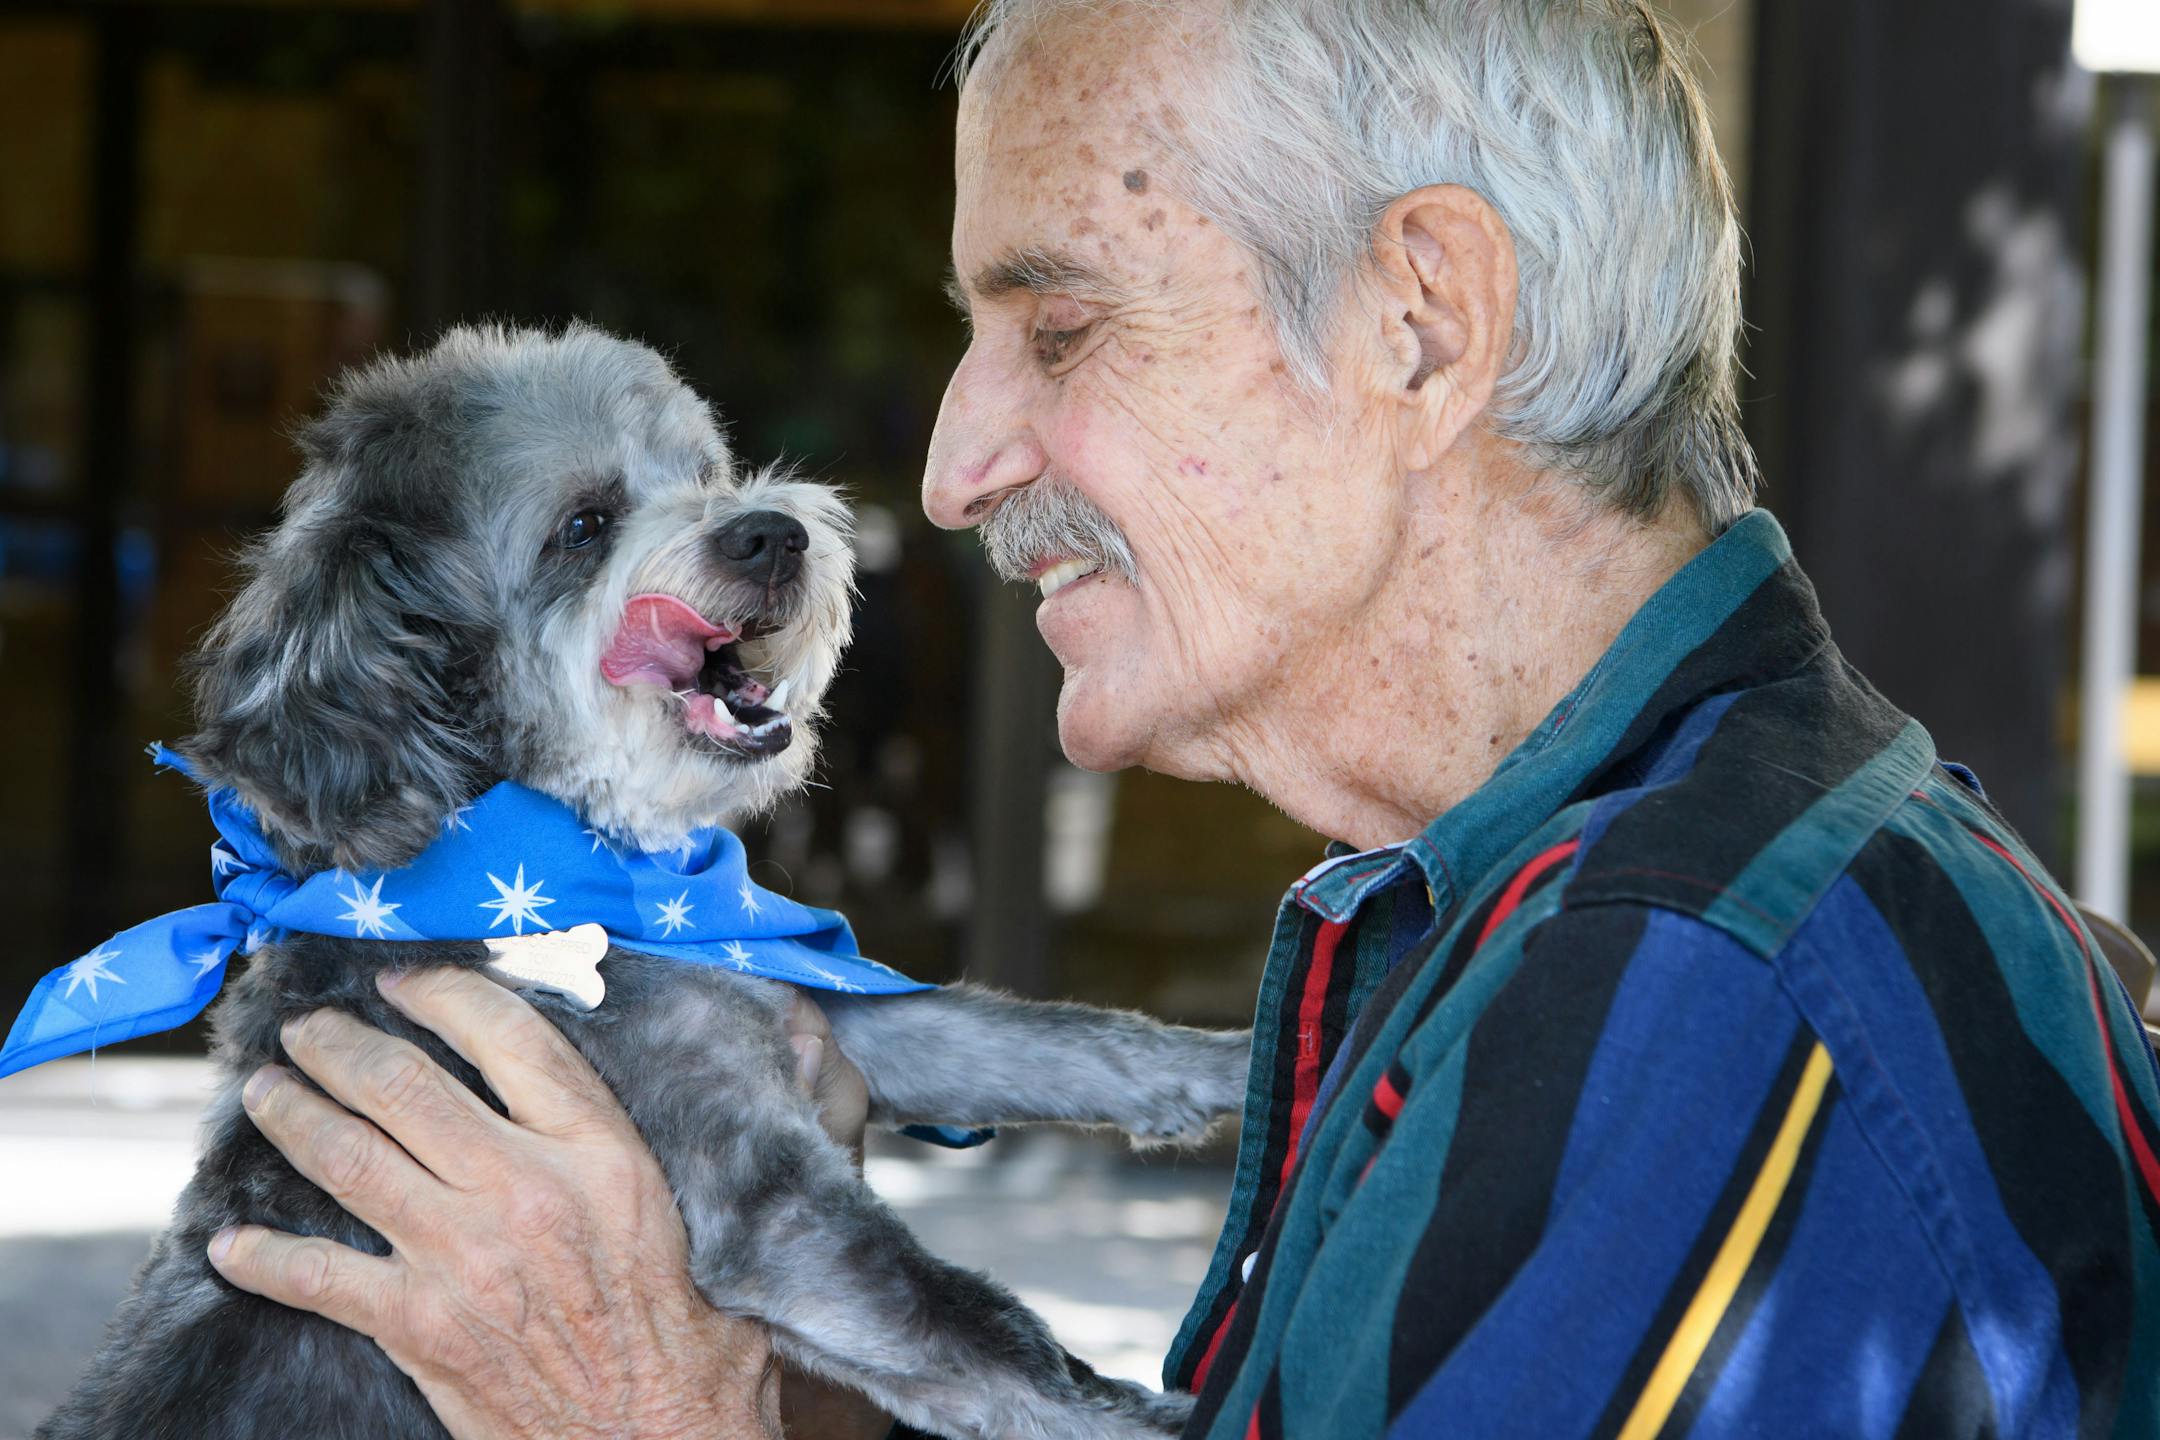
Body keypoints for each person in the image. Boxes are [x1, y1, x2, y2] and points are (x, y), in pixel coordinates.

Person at [207, 1, 2160, 1435]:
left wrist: (653, 1419)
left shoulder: (1690, 990)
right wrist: (766, 1370)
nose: (959, 466)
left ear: (1419, 321)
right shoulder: (1580, 901)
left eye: (1057, 330)